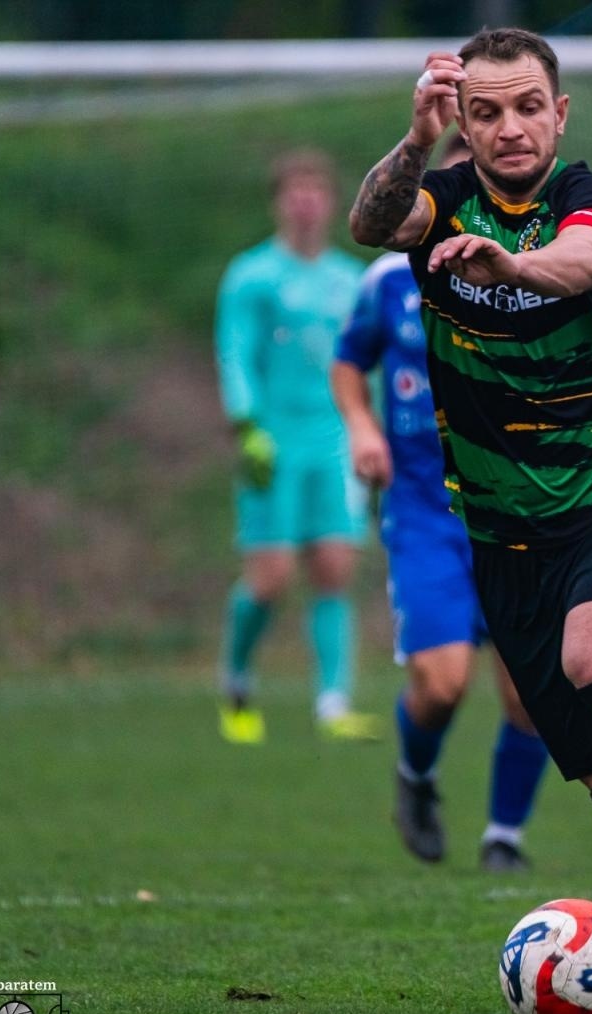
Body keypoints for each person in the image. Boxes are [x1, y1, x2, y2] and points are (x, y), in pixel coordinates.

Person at [347, 27, 592, 946]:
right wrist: (415, 140)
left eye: (529, 107)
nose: (511, 127)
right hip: (498, 530)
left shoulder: (587, 197)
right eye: (485, 113)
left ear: (558, 113)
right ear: (465, 124)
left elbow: (586, 261)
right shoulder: (439, 199)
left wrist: (513, 266)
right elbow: (372, 225)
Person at [332, 133, 550, 872]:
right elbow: (346, 361)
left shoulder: (526, 273)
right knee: (443, 680)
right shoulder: (389, 281)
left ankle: (504, 838)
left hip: (516, 511)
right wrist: (363, 426)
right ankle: (417, 776)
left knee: (529, 695)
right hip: (425, 511)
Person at [214, 149, 380, 745]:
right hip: (274, 440)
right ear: (279, 201)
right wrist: (246, 423)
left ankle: (333, 703)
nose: (306, 202)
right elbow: (235, 353)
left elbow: (367, 367)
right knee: (270, 578)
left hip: (334, 438)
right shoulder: (252, 276)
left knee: (334, 567)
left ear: (332, 202)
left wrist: (372, 430)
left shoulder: (350, 281)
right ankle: (235, 681)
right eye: (295, 191)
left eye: (316, 190)